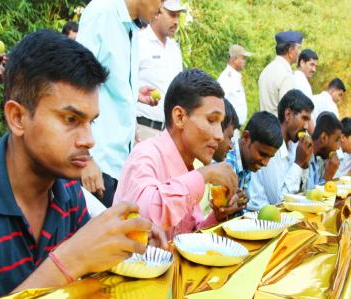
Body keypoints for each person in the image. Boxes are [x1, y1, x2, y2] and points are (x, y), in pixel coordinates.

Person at [0, 30, 167, 299]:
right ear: (18, 117)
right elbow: (72, 263)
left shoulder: (68, 192)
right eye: (70, 119)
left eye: (90, 122)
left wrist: (123, 241)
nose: (89, 140)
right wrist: (69, 261)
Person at [113, 69, 239, 239]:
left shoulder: (188, 169)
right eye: (211, 120)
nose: (219, 135)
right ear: (180, 117)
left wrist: (217, 216)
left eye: (220, 123)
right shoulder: (145, 155)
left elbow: (185, 238)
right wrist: (203, 176)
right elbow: (146, 218)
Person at [76, 0, 162, 205]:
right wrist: (84, 158)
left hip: (118, 165)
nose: (161, 9)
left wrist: (133, 94)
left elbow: (107, 82)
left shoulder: (132, 29)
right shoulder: (102, 13)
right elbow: (75, 86)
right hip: (96, 161)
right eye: (163, 0)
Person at [248, 89, 314, 209]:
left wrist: (304, 164)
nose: (306, 126)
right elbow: (279, 201)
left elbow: (303, 193)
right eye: (304, 118)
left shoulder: (295, 146)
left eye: (308, 120)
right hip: (261, 219)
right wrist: (298, 163)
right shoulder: (271, 146)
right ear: (288, 115)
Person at [136, 0, 186, 141]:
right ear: (157, 11)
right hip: (141, 130)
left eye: (178, 16)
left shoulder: (175, 49)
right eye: (172, 15)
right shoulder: (139, 42)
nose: (176, 21)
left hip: (167, 134)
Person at [225, 111, 283, 216]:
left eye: (270, 157)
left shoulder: (246, 162)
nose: (266, 163)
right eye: (262, 154)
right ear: (246, 137)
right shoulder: (227, 165)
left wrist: (244, 199)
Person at [199, 99, 242, 216]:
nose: (231, 145)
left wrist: (219, 215)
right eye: (229, 137)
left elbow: (197, 225)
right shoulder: (199, 168)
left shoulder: (207, 165)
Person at [258, 30, 303, 116]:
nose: (300, 52)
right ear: (290, 51)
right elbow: (287, 112)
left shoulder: (266, 70)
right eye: (299, 48)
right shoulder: (286, 74)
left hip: (263, 125)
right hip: (278, 127)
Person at [217, 44, 252, 126]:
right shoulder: (227, 78)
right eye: (243, 58)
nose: (244, 61)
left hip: (235, 127)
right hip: (229, 127)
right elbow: (220, 103)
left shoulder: (235, 77)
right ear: (235, 59)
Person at [307, 112, 342, 189]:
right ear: (324, 138)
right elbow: (311, 197)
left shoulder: (319, 159)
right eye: (337, 140)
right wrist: (328, 175)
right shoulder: (305, 157)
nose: (339, 147)